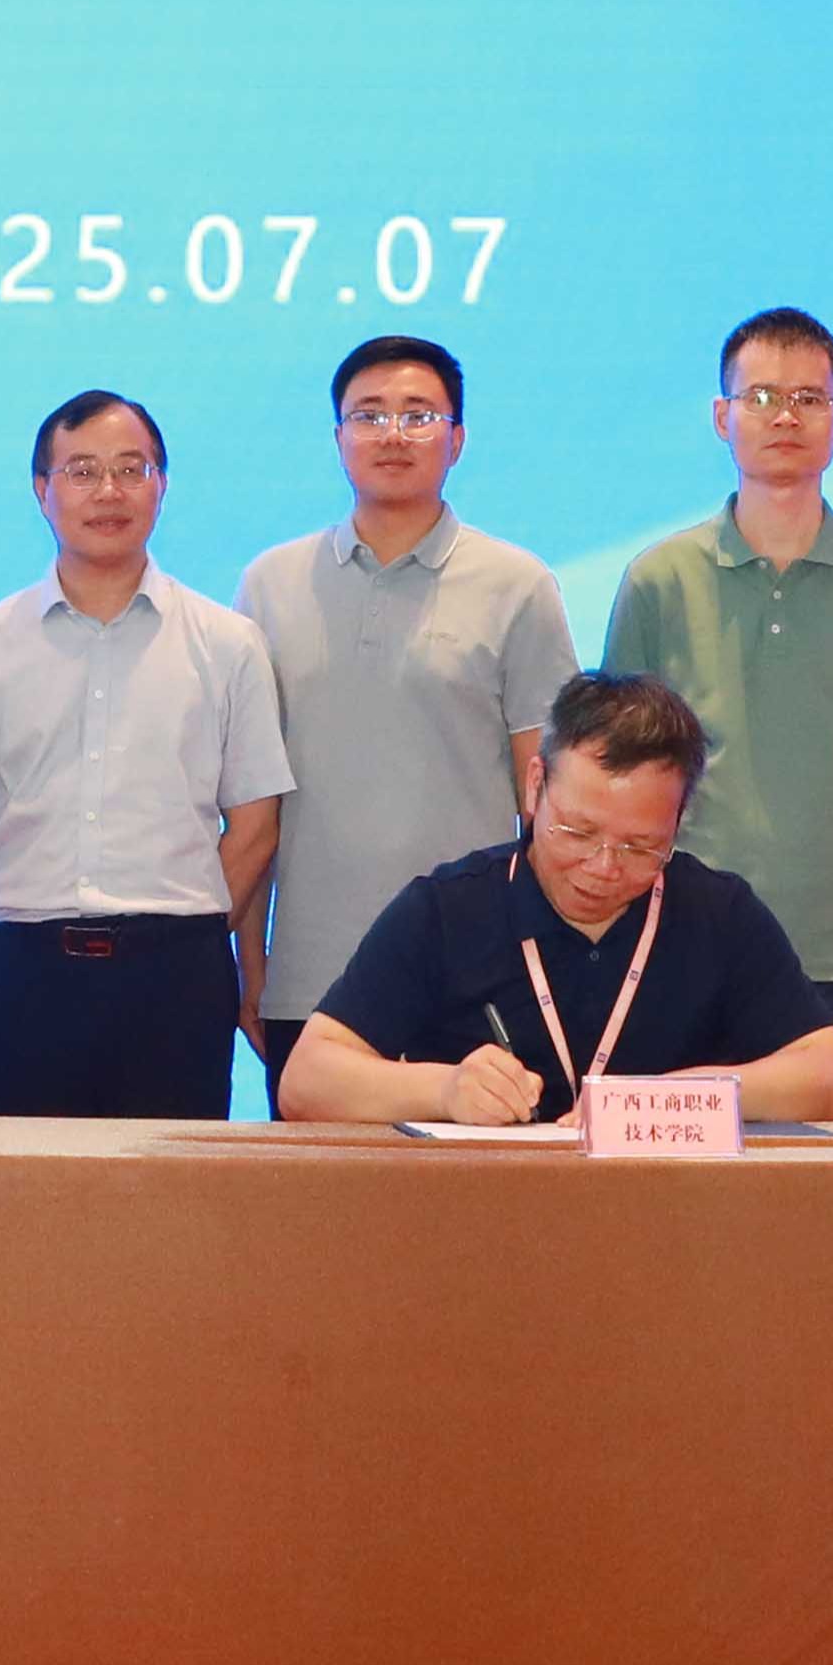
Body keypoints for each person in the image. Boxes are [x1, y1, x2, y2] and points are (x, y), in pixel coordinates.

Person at [596, 307, 833, 1119]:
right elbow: (620, 781)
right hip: (690, 952)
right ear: (720, 416)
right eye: (759, 396)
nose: (784, 416)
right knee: (687, 1193)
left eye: (807, 398)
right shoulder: (658, 580)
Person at [0, 390, 291, 1119]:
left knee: (174, 1187)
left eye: (132, 469)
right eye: (83, 471)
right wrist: (25, 910)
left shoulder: (227, 643)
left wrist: (181, 932)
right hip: (23, 978)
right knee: (20, 1185)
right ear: (42, 490)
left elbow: (256, 825)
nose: (109, 492)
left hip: (177, 978)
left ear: (162, 485)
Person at [275, 673, 833, 1126]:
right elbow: (306, 1081)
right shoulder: (447, 910)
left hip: (669, 1220)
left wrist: (678, 1098)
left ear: (679, 823)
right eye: (578, 832)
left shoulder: (719, 915)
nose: (603, 868)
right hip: (477, 1219)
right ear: (535, 787)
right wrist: (444, 1090)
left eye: (640, 846)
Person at [234, 334, 575, 1102]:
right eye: (369, 415)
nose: (393, 433)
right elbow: (250, 803)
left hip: (476, 974)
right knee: (312, 1182)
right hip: (311, 976)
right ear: (338, 438)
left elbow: (548, 800)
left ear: (457, 439)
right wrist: (250, 963)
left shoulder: (518, 584)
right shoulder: (270, 584)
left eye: (419, 415)